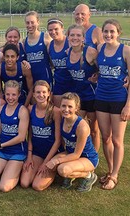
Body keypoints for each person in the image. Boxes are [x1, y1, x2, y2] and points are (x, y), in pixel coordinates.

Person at [95, 19, 130, 190]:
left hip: (119, 99)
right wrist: (94, 76)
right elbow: (98, 69)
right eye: (106, 31)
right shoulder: (100, 48)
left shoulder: (126, 50)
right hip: (101, 97)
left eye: (112, 31)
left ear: (118, 33)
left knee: (117, 140)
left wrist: (128, 105)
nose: (108, 35)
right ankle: (109, 170)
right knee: (105, 137)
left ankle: (115, 175)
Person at [0, 80, 29, 192]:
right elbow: (2, 131)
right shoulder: (1, 109)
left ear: (19, 95)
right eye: (8, 94)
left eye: (13, 95)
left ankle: (15, 171)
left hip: (17, 152)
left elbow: (21, 137)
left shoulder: (22, 111)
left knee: (4, 187)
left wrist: (0, 145)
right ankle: (6, 169)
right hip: (2, 152)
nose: (10, 97)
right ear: (4, 94)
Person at [46, 92, 99, 192]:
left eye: (70, 106)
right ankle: (70, 175)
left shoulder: (81, 127)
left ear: (76, 108)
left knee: (62, 169)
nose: (66, 110)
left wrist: (56, 160)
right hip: (71, 153)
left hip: (87, 157)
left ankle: (89, 176)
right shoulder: (62, 119)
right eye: (63, 106)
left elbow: (77, 154)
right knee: (51, 166)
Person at [20, 80, 62, 191]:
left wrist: (45, 163)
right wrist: (29, 156)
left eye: (44, 92)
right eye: (38, 92)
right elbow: (30, 135)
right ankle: (40, 170)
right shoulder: (30, 109)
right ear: (33, 94)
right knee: (24, 183)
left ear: (49, 93)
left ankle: (54, 170)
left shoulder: (55, 111)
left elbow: (58, 141)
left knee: (37, 186)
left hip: (52, 154)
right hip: (37, 153)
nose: (41, 95)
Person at [66, 24, 100, 152]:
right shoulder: (67, 52)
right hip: (77, 97)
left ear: (84, 38)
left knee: (94, 130)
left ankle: (93, 160)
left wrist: (98, 76)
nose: (75, 38)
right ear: (68, 37)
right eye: (72, 35)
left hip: (91, 95)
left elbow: (103, 67)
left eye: (78, 35)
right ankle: (79, 154)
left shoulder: (90, 52)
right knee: (76, 127)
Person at [47, 18, 74, 107]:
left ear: (62, 28)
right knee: (59, 111)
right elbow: (52, 64)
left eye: (56, 29)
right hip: (59, 83)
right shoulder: (50, 46)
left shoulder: (70, 42)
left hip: (73, 83)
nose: (53, 32)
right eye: (50, 30)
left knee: (73, 112)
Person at [23, 11, 53, 86]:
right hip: (31, 79)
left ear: (38, 22)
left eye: (32, 22)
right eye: (27, 23)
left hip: (45, 78)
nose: (30, 25)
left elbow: (53, 59)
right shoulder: (24, 42)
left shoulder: (46, 37)